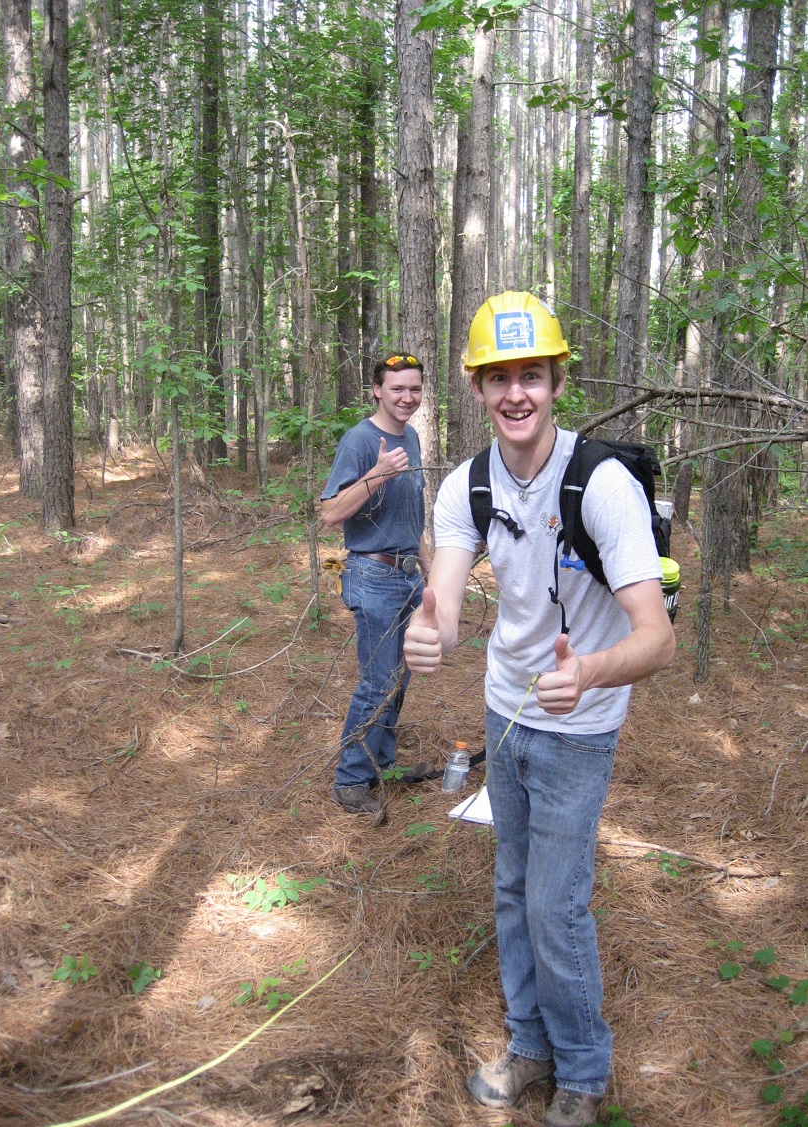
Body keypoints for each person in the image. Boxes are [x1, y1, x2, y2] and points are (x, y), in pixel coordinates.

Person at [403, 292, 675, 1127]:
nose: (515, 393)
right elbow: (446, 603)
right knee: (513, 887)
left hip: (579, 724)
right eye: (499, 378)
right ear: (478, 389)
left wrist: (589, 671)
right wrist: (429, 629)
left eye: (531, 375)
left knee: (556, 906)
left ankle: (583, 1073)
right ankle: (529, 1045)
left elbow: (656, 637)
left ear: (557, 381)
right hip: (505, 714)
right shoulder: (468, 484)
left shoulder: (603, 485)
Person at [321, 353, 434, 815]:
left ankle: (381, 764)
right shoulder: (360, 440)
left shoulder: (411, 437)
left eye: (414, 389)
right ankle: (350, 780)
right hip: (373, 576)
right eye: (397, 388)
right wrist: (377, 474)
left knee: (399, 679)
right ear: (376, 391)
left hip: (408, 575)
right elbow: (329, 512)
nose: (407, 397)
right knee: (378, 681)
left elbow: (413, 517)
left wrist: (434, 575)